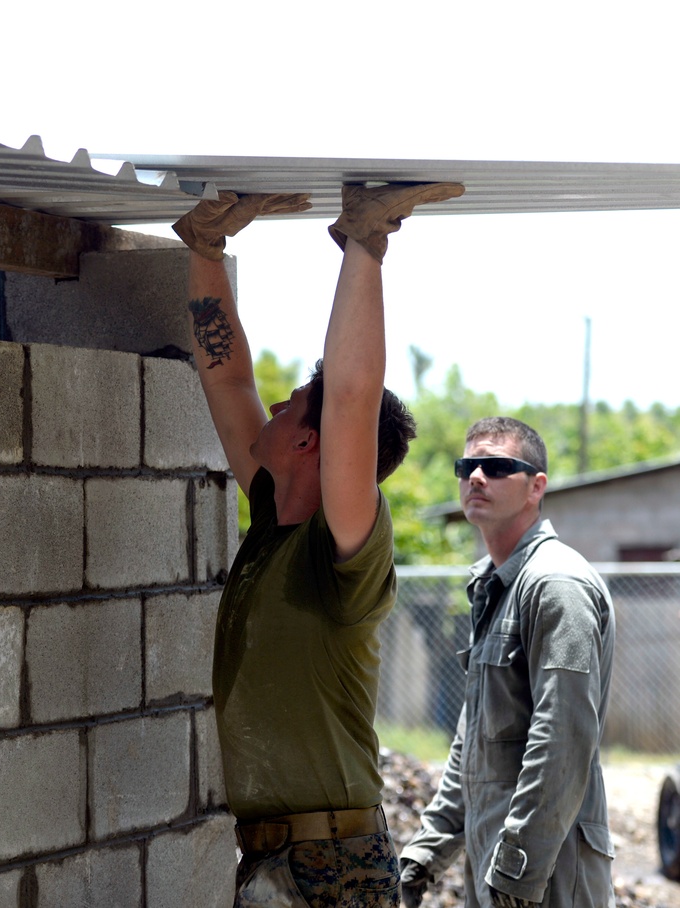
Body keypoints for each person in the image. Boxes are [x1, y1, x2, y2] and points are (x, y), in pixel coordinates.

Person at [172, 180, 464, 907]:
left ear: (311, 439)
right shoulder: (275, 519)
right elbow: (227, 377)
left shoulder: (343, 550)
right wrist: (204, 247)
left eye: (293, 400)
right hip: (276, 857)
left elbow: (354, 397)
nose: (269, 404)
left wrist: (364, 243)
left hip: (332, 862)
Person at [399, 417, 616, 908]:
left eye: (496, 466)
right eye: (467, 465)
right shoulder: (496, 586)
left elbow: (561, 739)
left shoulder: (556, 585)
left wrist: (520, 873)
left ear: (536, 486)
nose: (476, 476)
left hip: (547, 876)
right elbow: (474, 742)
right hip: (498, 869)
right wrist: (424, 856)